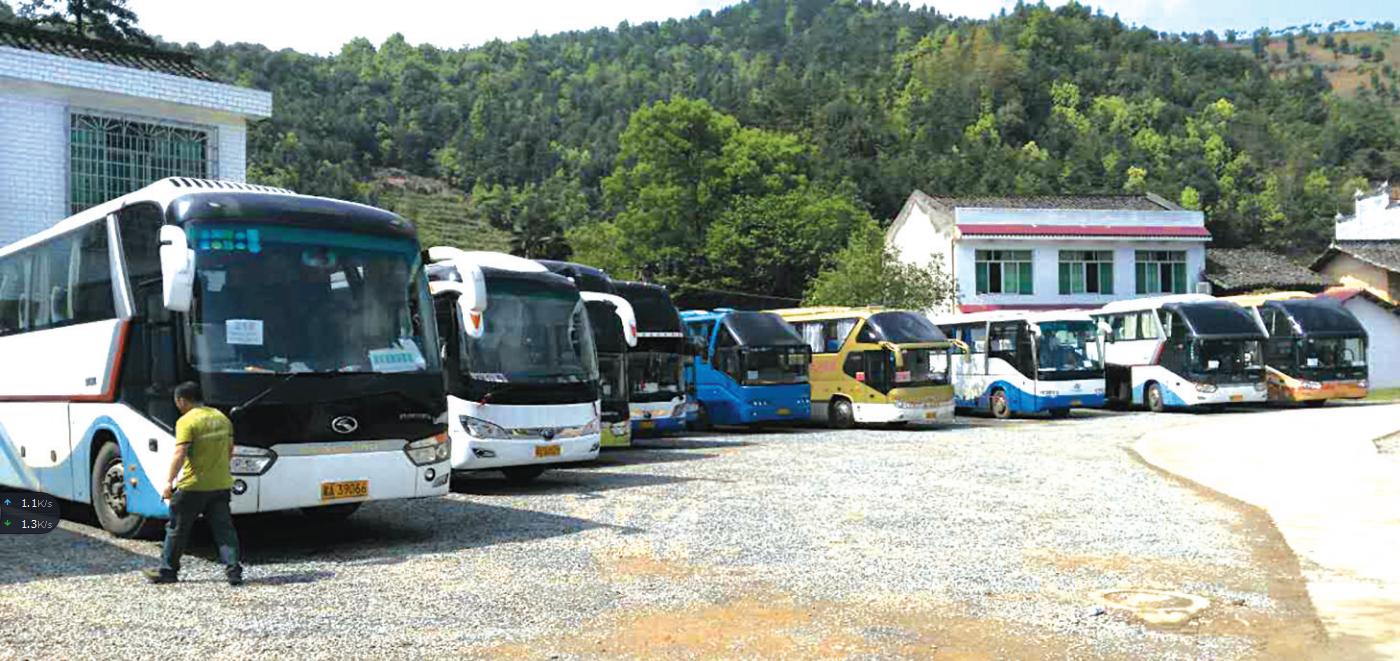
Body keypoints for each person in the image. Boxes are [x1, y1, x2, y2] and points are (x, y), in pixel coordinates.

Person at [142, 381, 244, 586]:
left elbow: (180, 453)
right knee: (224, 529)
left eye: (177, 402)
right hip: (221, 484)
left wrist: (169, 482)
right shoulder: (221, 418)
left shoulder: (186, 421)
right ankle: (233, 570)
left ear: (181, 400)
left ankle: (167, 571)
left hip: (193, 486)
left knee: (177, 528)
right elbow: (230, 449)